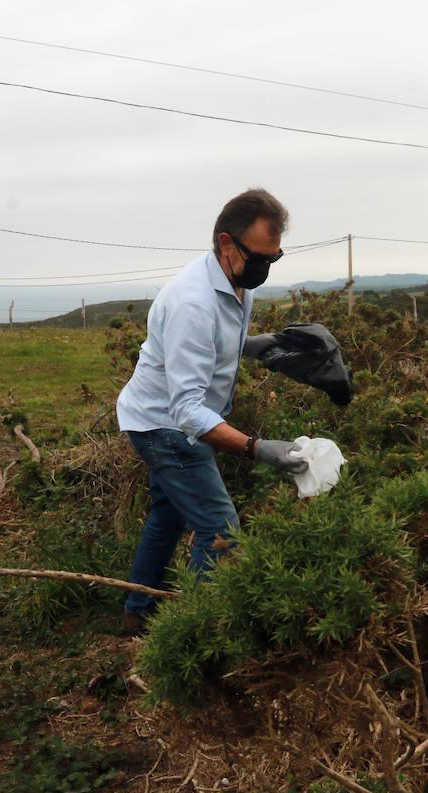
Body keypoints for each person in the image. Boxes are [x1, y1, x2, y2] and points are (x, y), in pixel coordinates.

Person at [115, 188, 312, 635]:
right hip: (164, 427)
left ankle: (138, 615)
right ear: (227, 243)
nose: (265, 267)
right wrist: (258, 448)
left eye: (273, 258)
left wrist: (257, 346)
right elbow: (186, 410)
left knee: (167, 515)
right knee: (221, 531)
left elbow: (213, 347)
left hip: (167, 418)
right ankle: (195, 636)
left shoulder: (236, 285)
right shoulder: (193, 302)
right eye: (258, 256)